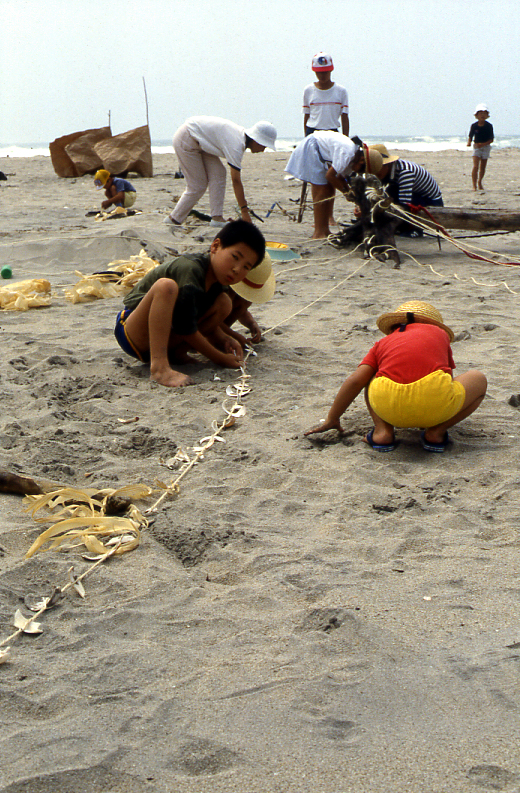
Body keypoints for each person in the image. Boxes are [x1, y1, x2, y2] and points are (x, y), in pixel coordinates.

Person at [304, 301, 487, 453]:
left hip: (387, 403)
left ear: (394, 327)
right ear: (433, 324)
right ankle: (436, 432)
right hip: (435, 403)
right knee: (478, 378)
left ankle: (382, 433)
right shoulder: (440, 335)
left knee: (372, 373)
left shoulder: (382, 342)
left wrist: (333, 417)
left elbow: (355, 381)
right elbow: (447, 376)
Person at [114, 220, 266, 387]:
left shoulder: (219, 284)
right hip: (133, 331)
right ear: (215, 246)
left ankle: (177, 354)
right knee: (166, 286)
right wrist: (219, 357)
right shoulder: (190, 269)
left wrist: (224, 339)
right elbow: (185, 328)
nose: (237, 269)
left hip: (163, 339)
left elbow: (192, 317)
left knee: (224, 303)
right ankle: (159, 368)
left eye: (246, 267)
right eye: (235, 257)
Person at [165, 116, 277, 229]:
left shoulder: (239, 139)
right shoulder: (237, 145)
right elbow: (236, 180)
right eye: (264, 145)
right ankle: (173, 219)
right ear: (256, 140)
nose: (263, 150)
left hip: (202, 142)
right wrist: (244, 212)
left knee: (219, 173)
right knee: (198, 186)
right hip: (186, 138)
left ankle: (217, 218)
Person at [285, 133, 383, 238]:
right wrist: (345, 192)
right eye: (362, 169)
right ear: (361, 160)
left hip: (321, 153)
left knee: (330, 189)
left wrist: (349, 191)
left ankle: (325, 230)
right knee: (322, 190)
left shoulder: (353, 159)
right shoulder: (348, 154)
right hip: (313, 147)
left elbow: (340, 177)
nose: (357, 172)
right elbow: (330, 176)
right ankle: (319, 232)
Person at [225, 252, 276, 344]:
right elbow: (209, 321)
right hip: (201, 326)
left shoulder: (243, 301)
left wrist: (251, 323)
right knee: (225, 303)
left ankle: (222, 333)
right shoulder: (222, 293)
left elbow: (241, 311)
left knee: (244, 303)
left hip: (219, 327)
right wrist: (235, 336)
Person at [369, 146, 444, 208]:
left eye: (378, 168)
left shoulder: (405, 172)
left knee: (392, 196)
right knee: (389, 192)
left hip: (432, 202)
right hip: (416, 194)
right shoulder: (393, 169)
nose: (375, 172)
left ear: (387, 164)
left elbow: (404, 204)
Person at [302, 52, 349, 137]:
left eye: (325, 72)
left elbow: (345, 117)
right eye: (319, 72)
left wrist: (346, 139)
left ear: (331, 70)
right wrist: (306, 138)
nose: (322, 75)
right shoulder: (308, 90)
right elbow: (306, 115)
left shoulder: (341, 91)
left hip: (333, 131)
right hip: (313, 131)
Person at [467, 103, 494, 191]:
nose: (482, 115)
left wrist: (483, 144)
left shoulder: (489, 126)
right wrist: (469, 142)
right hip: (477, 147)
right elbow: (471, 135)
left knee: (483, 167)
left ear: (487, 115)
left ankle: (480, 181)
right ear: (477, 115)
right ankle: (474, 185)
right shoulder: (474, 125)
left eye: (484, 113)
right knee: (475, 166)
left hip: (486, 147)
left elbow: (491, 139)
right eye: (480, 113)